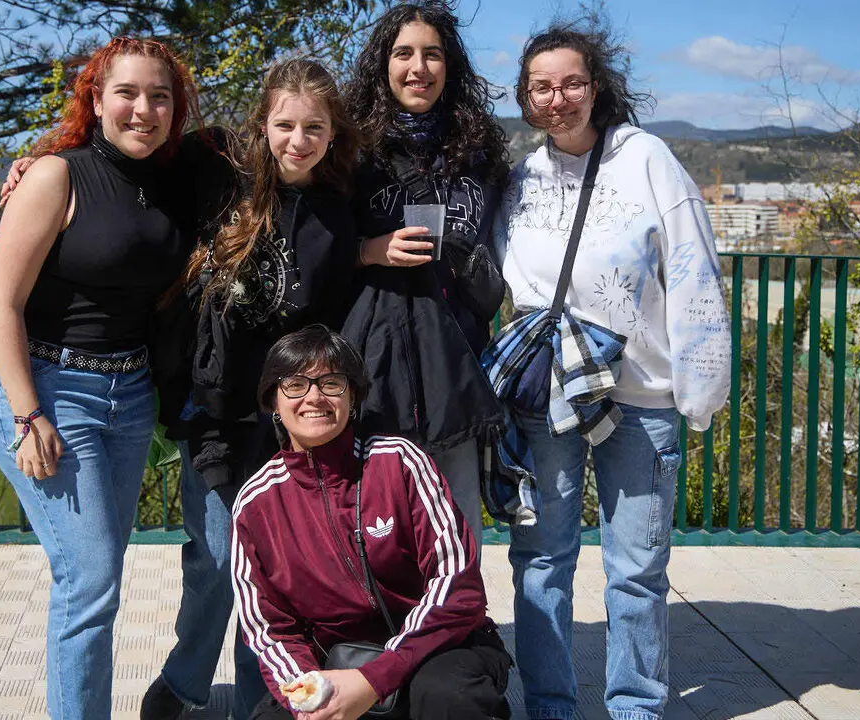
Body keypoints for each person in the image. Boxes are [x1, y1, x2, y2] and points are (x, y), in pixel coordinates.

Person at [493, 18, 731, 720]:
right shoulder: (523, 177)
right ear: (525, 97)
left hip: (641, 399)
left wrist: (700, 389)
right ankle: (552, 708)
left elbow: (695, 270)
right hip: (549, 398)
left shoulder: (646, 158)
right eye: (541, 86)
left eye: (571, 82)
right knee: (541, 562)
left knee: (637, 572)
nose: (556, 98)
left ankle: (635, 708)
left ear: (598, 87)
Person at [0, 37, 202, 719]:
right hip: (50, 391)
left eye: (159, 96)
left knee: (95, 579)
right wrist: (27, 415)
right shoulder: (57, 176)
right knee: (91, 582)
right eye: (128, 93)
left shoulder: (169, 183)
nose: (144, 109)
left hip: (129, 398)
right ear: (97, 99)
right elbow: (2, 303)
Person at [140, 59, 362, 720]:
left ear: (331, 132)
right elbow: (130, 158)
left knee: (271, 571)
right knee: (212, 558)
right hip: (212, 407)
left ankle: (261, 700)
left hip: (285, 421)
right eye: (285, 124)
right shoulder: (215, 175)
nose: (298, 139)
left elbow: (332, 315)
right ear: (262, 124)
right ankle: (183, 683)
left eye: (313, 127)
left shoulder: (334, 215)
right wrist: (43, 161)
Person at [232, 325, 512, 720]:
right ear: (273, 402)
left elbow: (457, 586)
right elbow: (270, 630)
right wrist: (311, 696)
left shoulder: (399, 462)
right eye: (295, 384)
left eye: (331, 383)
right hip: (335, 662)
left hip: (438, 648)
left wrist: (374, 679)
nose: (314, 397)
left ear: (354, 396)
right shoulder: (256, 504)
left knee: (449, 698)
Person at [342, 0, 511, 546]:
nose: (419, 67)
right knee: (383, 523)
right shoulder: (352, 151)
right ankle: (391, 629)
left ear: (449, 65)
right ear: (383, 65)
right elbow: (313, 249)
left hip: (457, 357)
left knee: (459, 523)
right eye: (404, 53)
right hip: (379, 361)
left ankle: (456, 625)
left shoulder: (478, 150)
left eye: (432, 54)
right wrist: (369, 250)